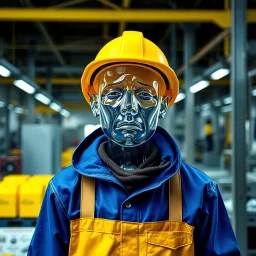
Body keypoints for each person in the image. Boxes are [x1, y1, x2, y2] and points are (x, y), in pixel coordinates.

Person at [28, 31, 240, 255]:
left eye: (145, 95)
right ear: (95, 103)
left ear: (163, 105)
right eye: (114, 94)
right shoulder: (64, 192)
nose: (129, 107)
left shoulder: (199, 192)